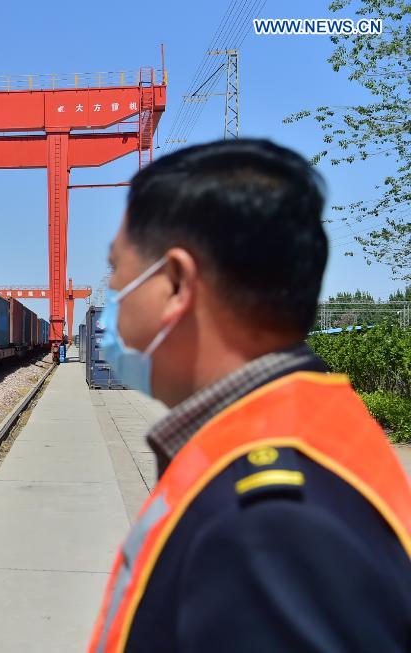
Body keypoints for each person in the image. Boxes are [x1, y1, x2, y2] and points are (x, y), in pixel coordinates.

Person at [87, 139, 411, 653]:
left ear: (175, 285)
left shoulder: (269, 528)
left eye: (117, 271)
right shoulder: (305, 429)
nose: (110, 294)